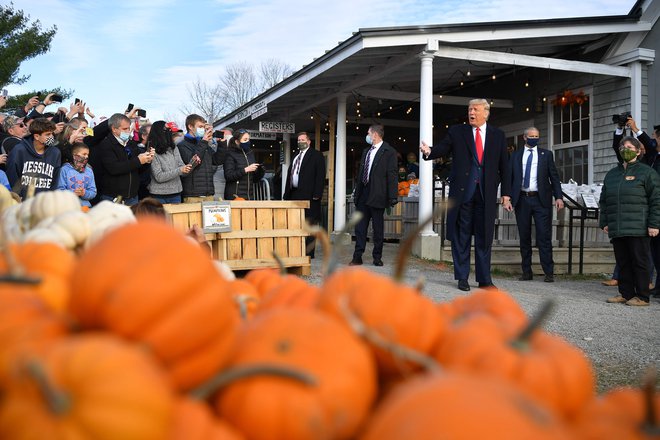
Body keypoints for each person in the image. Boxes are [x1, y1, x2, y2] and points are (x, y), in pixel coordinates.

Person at [420, 98, 511, 291]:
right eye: (470, 109)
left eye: (476, 110)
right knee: (461, 236)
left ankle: (484, 279)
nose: (471, 113)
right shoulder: (457, 131)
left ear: (486, 113)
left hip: (485, 193)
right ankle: (462, 277)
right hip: (463, 193)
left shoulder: (498, 135)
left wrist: (507, 194)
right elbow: (443, 148)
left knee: (484, 237)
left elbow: (505, 165)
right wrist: (429, 152)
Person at [599, 136, 660, 307]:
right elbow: (604, 200)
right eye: (622, 147)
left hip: (638, 226)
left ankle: (642, 296)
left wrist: (654, 224)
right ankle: (626, 293)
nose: (625, 149)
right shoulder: (612, 174)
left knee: (640, 262)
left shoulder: (647, 172)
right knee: (623, 261)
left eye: (629, 147)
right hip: (618, 226)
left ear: (638, 151)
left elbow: (656, 200)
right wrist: (604, 221)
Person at [507, 127, 564, 282]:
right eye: (531, 136)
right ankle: (527, 272)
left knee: (544, 236)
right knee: (524, 237)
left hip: (541, 200)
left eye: (537, 136)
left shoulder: (546, 155)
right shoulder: (516, 156)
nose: (534, 138)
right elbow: (509, 177)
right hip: (522, 199)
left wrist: (558, 197)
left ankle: (548, 272)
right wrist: (507, 198)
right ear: (525, 137)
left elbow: (554, 177)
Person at [349, 124, 398, 267]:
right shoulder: (366, 151)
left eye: (368, 133)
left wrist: (392, 196)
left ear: (375, 135)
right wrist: (357, 193)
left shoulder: (389, 152)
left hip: (378, 193)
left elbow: (392, 174)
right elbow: (360, 174)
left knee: (378, 228)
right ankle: (357, 256)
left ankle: (377, 257)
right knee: (360, 227)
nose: (367, 136)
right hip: (364, 193)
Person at [94, 113, 153, 206]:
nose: (128, 131)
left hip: (132, 197)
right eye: (124, 129)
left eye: (129, 128)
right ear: (114, 129)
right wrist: (138, 161)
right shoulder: (106, 145)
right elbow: (114, 168)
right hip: (112, 198)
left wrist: (147, 160)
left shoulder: (131, 144)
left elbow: (139, 169)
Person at [283, 132, 326, 258]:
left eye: (302, 140)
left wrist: (317, 193)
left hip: (310, 195)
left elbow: (320, 175)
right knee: (296, 223)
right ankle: (298, 249)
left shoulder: (316, 155)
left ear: (308, 141)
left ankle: (309, 252)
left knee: (310, 223)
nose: (300, 142)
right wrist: (287, 194)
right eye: (298, 140)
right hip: (295, 194)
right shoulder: (296, 155)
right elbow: (291, 174)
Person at [6, 118, 61, 199]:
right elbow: (12, 176)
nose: (52, 137)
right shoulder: (19, 150)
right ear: (37, 136)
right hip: (22, 203)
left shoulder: (55, 153)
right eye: (48, 134)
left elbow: (55, 179)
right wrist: (18, 197)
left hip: (44, 202)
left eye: (52, 134)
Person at [177, 114, 225, 203]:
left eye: (204, 127)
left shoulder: (203, 144)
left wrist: (222, 144)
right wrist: (204, 141)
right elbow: (194, 161)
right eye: (200, 127)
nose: (202, 130)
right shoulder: (182, 145)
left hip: (208, 193)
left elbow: (217, 161)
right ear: (190, 127)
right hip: (192, 195)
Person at [147, 120, 192, 204]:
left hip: (176, 193)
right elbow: (159, 177)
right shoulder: (151, 151)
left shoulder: (173, 148)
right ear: (158, 132)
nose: (169, 132)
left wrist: (191, 164)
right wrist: (180, 170)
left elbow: (182, 168)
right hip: (158, 195)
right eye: (166, 130)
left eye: (169, 130)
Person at [223, 128, 262, 200]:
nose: (248, 142)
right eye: (245, 139)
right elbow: (228, 175)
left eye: (248, 139)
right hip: (235, 196)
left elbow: (254, 179)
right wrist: (246, 170)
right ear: (237, 142)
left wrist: (260, 171)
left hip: (249, 195)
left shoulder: (250, 153)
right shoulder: (230, 154)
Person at [56, 142, 96, 208]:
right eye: (84, 154)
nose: (86, 156)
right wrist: (73, 193)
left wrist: (84, 193)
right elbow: (59, 190)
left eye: (87, 154)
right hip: (67, 207)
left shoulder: (89, 171)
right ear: (74, 155)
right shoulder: (64, 170)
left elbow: (93, 191)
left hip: (85, 207)